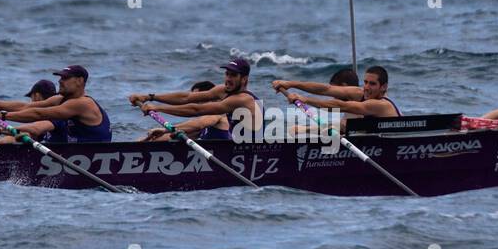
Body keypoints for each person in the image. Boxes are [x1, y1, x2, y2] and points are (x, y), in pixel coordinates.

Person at [130, 57, 263, 139]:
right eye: (227, 74)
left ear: (244, 79)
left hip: (252, 151)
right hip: (234, 145)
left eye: (233, 75)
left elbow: (197, 110)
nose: (228, 79)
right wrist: (150, 97)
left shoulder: (243, 99)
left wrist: (158, 108)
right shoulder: (222, 90)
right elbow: (187, 97)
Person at [0, 65, 111, 143]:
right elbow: (25, 107)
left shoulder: (83, 104)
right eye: (60, 78)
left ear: (79, 81)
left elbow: (39, 114)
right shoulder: (59, 99)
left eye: (65, 78)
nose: (60, 81)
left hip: (93, 155)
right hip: (74, 154)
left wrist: (2, 116)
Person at [273, 65, 401, 118]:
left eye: (372, 84)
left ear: (383, 87)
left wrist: (306, 99)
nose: (366, 87)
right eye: (365, 82)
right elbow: (326, 89)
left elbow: (342, 106)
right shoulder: (360, 92)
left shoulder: (381, 105)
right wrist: (290, 83)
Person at [140, 81, 230, 141]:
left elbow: (199, 124)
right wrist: (147, 140)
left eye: (197, 98)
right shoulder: (205, 126)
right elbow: (173, 136)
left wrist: (164, 130)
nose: (194, 102)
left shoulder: (218, 113)